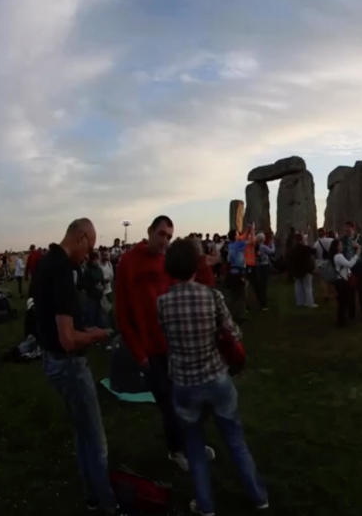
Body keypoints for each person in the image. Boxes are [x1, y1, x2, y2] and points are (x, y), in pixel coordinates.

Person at [156, 239, 269, 515]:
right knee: (234, 438)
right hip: (216, 378)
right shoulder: (212, 296)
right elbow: (235, 334)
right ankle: (258, 497)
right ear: (196, 264)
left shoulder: (162, 303)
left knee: (194, 447)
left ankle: (205, 506)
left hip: (184, 382)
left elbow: (166, 339)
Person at [31, 219, 123, 515]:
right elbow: (69, 339)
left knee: (82, 433)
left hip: (51, 360)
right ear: (81, 237)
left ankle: (91, 498)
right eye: (90, 247)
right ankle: (109, 504)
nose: (89, 255)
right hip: (68, 364)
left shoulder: (46, 263)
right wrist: (96, 334)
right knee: (96, 441)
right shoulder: (62, 271)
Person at [116, 215, 213, 471]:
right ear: (149, 231)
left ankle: (193, 442)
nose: (165, 241)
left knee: (190, 400)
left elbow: (201, 287)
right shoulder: (128, 262)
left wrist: (200, 258)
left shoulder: (169, 262)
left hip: (176, 345)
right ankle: (176, 449)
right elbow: (123, 313)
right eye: (162, 234)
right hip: (151, 350)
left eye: (169, 236)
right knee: (169, 404)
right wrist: (139, 353)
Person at [331, 238, 361, 326]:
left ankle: (342, 320)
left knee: (342, 302)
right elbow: (349, 264)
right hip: (342, 281)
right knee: (343, 303)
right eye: (340, 245)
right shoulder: (338, 256)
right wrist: (357, 254)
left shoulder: (337, 255)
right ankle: (341, 322)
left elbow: (346, 265)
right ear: (336, 247)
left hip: (340, 280)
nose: (342, 246)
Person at [288, 233, 317, 308]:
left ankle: (300, 302)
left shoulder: (293, 249)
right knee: (308, 287)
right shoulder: (305, 247)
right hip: (306, 270)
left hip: (296, 270)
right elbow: (314, 251)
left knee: (298, 287)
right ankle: (309, 303)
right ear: (302, 240)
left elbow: (290, 260)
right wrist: (306, 243)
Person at [253, 232, 274, 311]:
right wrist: (272, 244)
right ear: (262, 239)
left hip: (257, 266)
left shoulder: (256, 247)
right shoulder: (263, 247)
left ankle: (260, 302)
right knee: (263, 285)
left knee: (259, 285)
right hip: (264, 266)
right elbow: (272, 252)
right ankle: (264, 304)